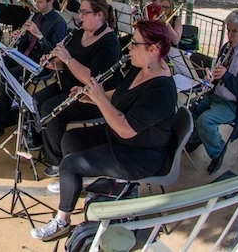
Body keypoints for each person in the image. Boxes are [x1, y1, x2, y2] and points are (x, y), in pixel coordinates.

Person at [31, 21, 177, 241]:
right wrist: (89, 96)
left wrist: (99, 98)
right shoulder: (141, 68)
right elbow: (119, 94)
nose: (129, 48)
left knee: (70, 165)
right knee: (71, 139)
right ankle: (79, 185)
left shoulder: (161, 91)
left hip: (139, 155)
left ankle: (62, 221)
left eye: (135, 44)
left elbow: (126, 129)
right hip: (120, 138)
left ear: (153, 49)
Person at [34, 0, 123, 176]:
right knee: (37, 99)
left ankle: (58, 162)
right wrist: (53, 63)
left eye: (85, 12)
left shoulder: (109, 42)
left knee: (51, 109)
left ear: (99, 15)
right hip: (69, 86)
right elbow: (65, 64)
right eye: (80, 12)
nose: (80, 16)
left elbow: (91, 79)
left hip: (94, 97)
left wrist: (67, 59)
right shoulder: (79, 33)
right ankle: (41, 142)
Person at [0, 0, 68, 142]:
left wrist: (39, 35)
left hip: (40, 63)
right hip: (23, 55)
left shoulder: (58, 23)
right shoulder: (36, 16)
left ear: (51, 2)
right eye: (36, 1)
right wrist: (18, 37)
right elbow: (26, 43)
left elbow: (54, 53)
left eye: (40, 2)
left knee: (10, 77)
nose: (37, 5)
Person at [186, 10, 238, 174]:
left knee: (205, 121)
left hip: (233, 104)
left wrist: (226, 76)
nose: (230, 35)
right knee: (191, 111)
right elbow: (218, 73)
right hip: (216, 94)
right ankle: (195, 139)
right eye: (228, 30)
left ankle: (218, 152)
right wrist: (211, 76)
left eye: (234, 31)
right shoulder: (227, 47)